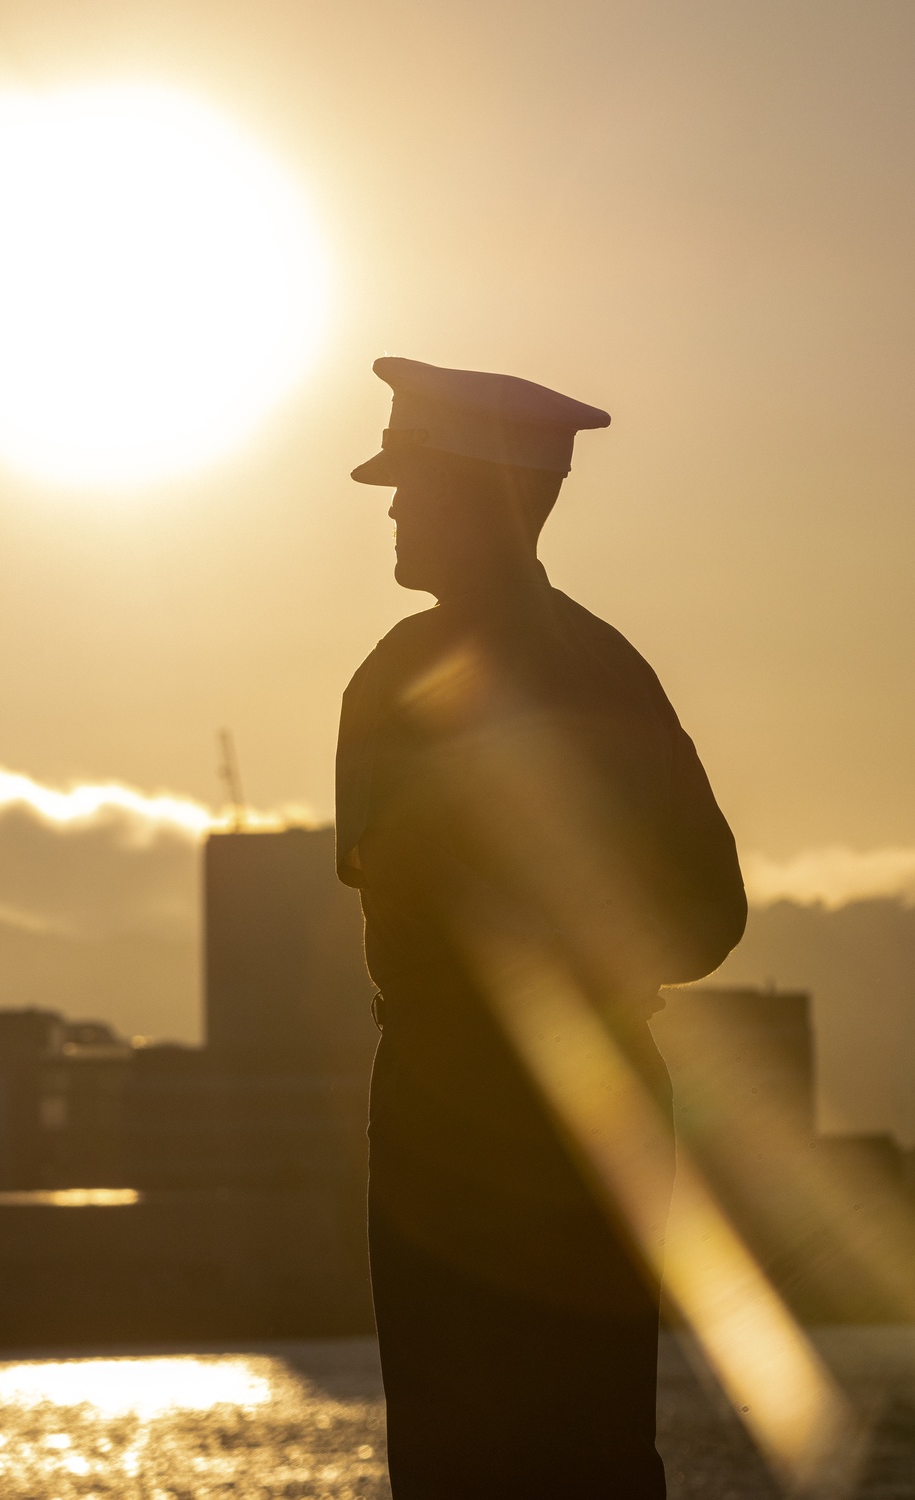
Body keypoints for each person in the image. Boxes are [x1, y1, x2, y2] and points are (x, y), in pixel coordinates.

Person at [335, 357, 747, 1498]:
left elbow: (401, 900)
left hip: (456, 1111)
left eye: (418, 485)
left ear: (487, 496)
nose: (398, 511)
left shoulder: (402, 675)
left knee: (460, 1453)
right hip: (609, 1103)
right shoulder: (614, 667)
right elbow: (710, 918)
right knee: (598, 1445)